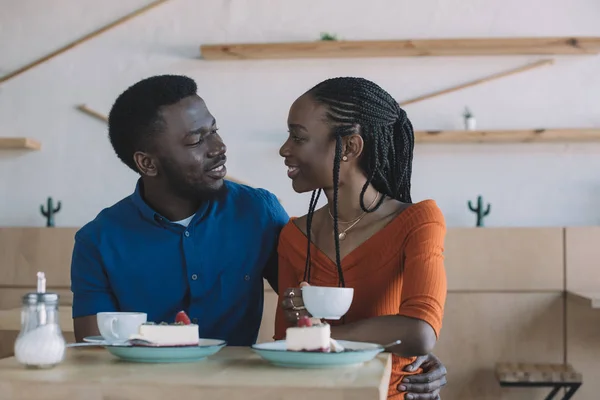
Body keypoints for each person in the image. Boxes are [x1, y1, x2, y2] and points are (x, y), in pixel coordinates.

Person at [70, 74, 447, 397]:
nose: (218, 147)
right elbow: (94, 356)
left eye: (214, 130)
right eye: (196, 140)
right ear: (147, 162)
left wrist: (407, 353)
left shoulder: (258, 213)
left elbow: (304, 315)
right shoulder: (97, 242)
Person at [275, 77, 448, 400]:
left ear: (350, 147)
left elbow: (420, 333)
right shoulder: (293, 236)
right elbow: (284, 346)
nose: (285, 149)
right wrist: (299, 326)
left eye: (298, 137)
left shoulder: (417, 222)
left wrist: (320, 337)